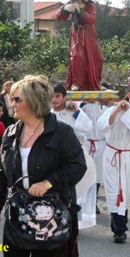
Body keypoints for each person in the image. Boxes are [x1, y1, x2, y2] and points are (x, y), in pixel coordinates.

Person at [0, 75, 87, 257]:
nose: (12, 103)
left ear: (33, 102)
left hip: (49, 212)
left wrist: (48, 182)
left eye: (17, 99)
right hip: (17, 211)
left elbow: (78, 166)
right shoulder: (11, 133)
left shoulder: (61, 132)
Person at [97, 82, 130, 243]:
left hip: (129, 156)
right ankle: (119, 229)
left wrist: (126, 112)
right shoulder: (114, 109)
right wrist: (117, 110)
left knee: (125, 190)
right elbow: (102, 127)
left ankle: (121, 225)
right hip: (112, 154)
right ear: (129, 94)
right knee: (113, 189)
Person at [51, 84, 96, 229]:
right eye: (52, 96)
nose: (55, 99)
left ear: (65, 97)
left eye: (58, 96)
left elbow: (87, 128)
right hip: (55, 159)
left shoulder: (73, 112)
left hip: (74, 158)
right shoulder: (48, 114)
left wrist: (77, 111)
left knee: (75, 192)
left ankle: (74, 223)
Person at [56, 0, 103, 91]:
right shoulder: (72, 2)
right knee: (77, 57)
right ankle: (77, 83)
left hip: (89, 34)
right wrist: (64, 9)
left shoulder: (91, 6)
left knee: (98, 58)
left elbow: (92, 19)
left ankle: (95, 82)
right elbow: (60, 17)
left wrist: (80, 11)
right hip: (77, 33)